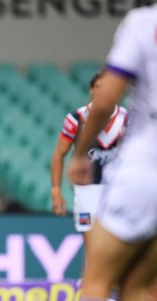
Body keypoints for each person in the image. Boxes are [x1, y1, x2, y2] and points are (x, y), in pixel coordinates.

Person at [67, 4, 157, 300]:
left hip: (147, 168)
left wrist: (82, 153)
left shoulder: (144, 22)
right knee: (141, 286)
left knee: (97, 282)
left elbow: (105, 100)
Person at [50, 71, 127, 301]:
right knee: (93, 246)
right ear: (92, 89)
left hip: (117, 190)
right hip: (87, 190)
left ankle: (114, 290)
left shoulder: (127, 119)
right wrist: (56, 190)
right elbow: (59, 154)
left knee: (120, 244)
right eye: (98, 86)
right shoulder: (77, 118)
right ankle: (95, 292)